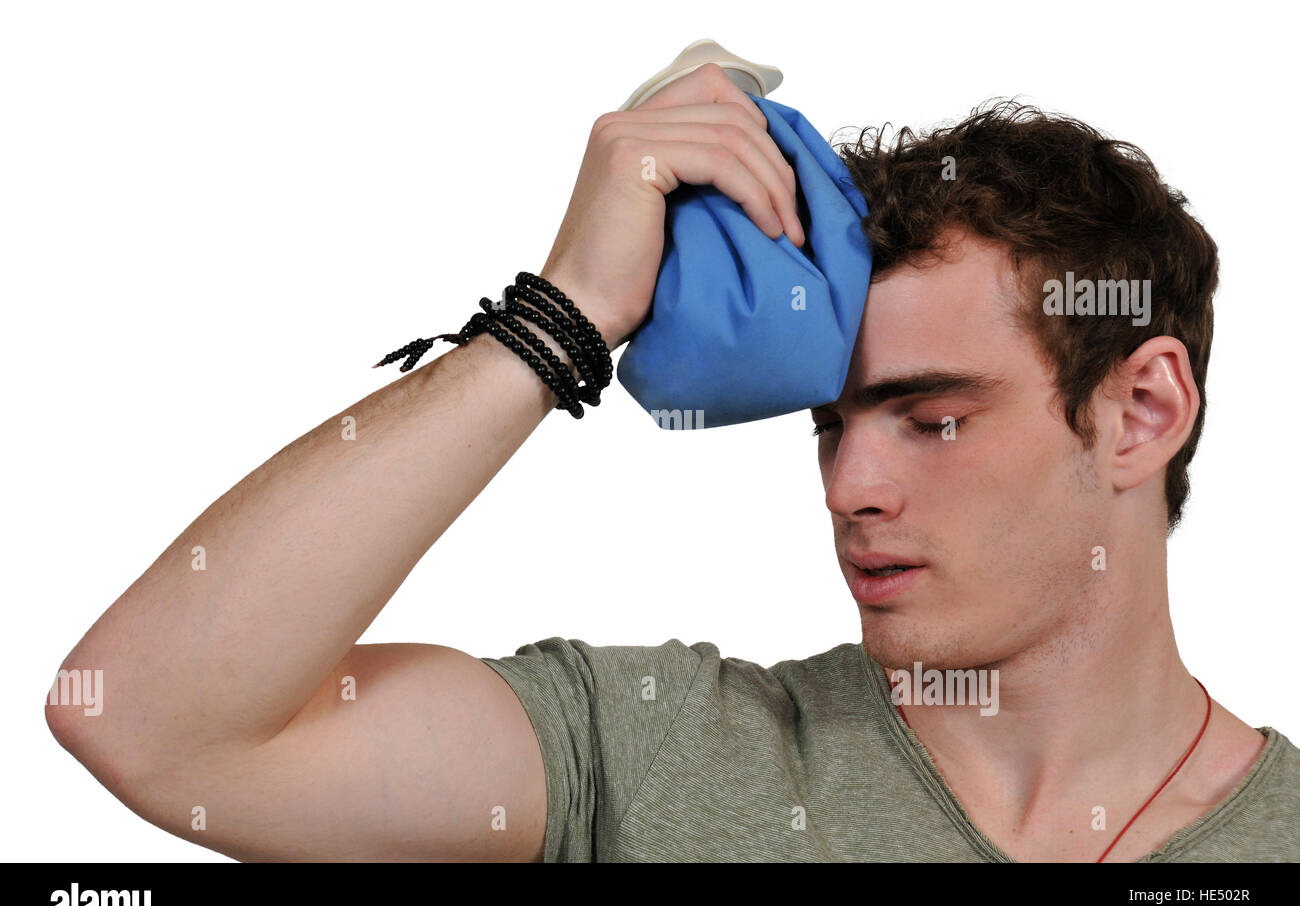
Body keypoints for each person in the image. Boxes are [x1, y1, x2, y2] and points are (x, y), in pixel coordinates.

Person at [45, 64, 1299, 862]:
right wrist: (560, 320)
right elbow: (152, 725)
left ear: (1139, 411)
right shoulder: (660, 751)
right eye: (827, 421)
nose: (847, 486)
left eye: (931, 418)